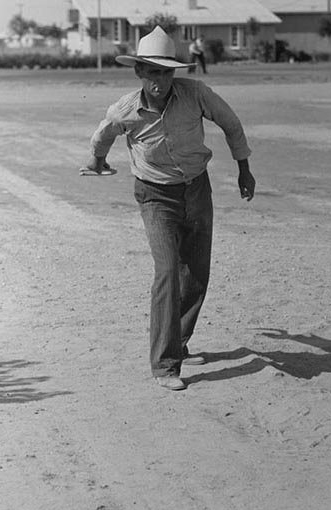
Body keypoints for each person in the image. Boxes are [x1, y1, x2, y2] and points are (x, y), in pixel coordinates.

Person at [82, 26, 255, 391]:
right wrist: (97, 160)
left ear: (175, 72)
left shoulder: (196, 94)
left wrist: (244, 168)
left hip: (196, 188)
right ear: (139, 73)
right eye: (152, 72)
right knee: (167, 270)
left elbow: (231, 123)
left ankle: (181, 340)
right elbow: (103, 134)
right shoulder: (125, 109)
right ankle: (165, 365)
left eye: (165, 71)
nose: (159, 80)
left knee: (195, 272)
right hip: (155, 195)